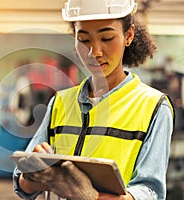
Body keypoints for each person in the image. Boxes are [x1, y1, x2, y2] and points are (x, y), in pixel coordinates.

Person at [13, 0, 174, 199]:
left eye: (106, 38)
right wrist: (34, 174)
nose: (94, 52)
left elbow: (150, 192)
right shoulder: (60, 102)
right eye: (84, 40)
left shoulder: (154, 106)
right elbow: (23, 185)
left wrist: (90, 196)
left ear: (129, 36)